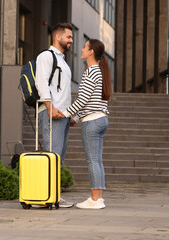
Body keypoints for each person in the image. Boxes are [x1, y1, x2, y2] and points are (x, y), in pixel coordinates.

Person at [63, 39, 112, 209]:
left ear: (91, 52)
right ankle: (98, 198)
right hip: (100, 119)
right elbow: (93, 101)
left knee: (93, 161)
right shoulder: (99, 71)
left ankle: (95, 199)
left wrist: (65, 114)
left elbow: (83, 99)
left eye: (85, 46)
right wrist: (75, 119)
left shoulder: (91, 72)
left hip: (92, 122)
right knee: (97, 161)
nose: (82, 49)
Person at [35, 23, 74, 208]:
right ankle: (49, 197)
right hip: (52, 113)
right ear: (57, 37)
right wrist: (50, 107)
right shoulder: (46, 56)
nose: (71, 41)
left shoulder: (64, 61)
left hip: (63, 116)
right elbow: (41, 83)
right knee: (52, 156)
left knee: (59, 158)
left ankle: (53, 195)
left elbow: (63, 91)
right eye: (69, 37)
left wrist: (69, 115)